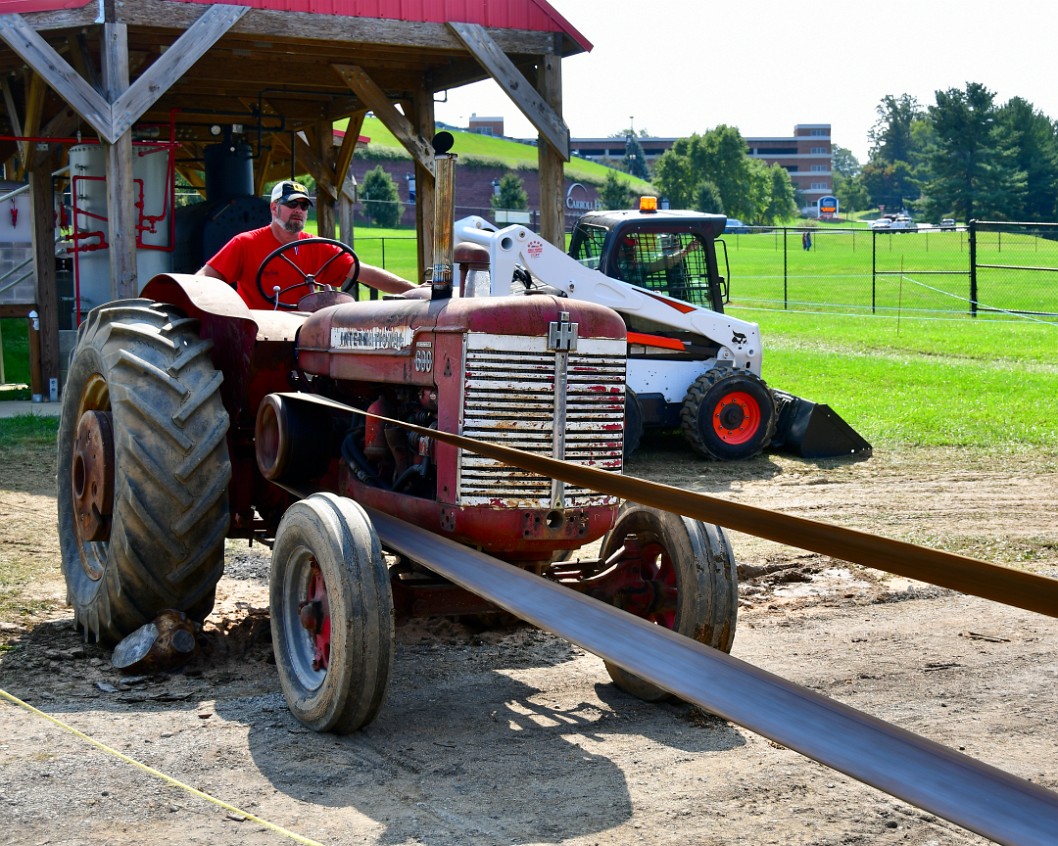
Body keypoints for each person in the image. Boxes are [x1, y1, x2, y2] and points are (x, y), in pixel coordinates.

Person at [197, 180, 417, 309]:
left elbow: (363, 272)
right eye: (292, 204)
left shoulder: (318, 246)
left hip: (306, 331)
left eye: (303, 206)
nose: (299, 211)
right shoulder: (245, 243)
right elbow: (204, 280)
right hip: (259, 331)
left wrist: (414, 290)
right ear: (274, 208)